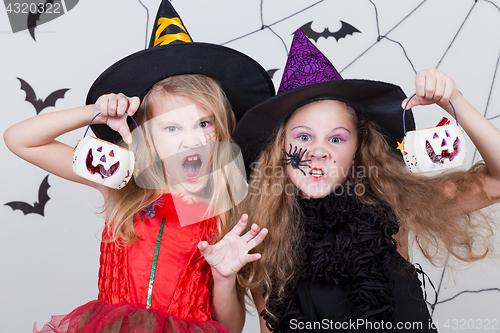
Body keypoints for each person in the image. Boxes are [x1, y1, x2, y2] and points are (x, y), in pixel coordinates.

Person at [4, 1, 274, 332]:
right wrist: (93, 114)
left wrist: (223, 277)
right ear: (146, 134)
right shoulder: (123, 181)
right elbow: (21, 140)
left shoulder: (230, 209)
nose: (192, 141)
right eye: (171, 127)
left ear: (221, 127)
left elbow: (230, 327)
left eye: (204, 124)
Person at [232, 29, 500, 332]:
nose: (318, 151)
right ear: (280, 150)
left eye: (337, 138)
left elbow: (495, 183)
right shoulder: (261, 235)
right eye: (304, 136)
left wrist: (454, 101)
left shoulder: (394, 207)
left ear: (358, 151)